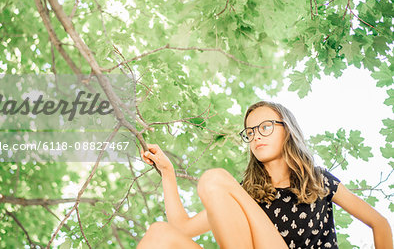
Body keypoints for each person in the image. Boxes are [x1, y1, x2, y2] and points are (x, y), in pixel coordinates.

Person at [137, 100, 393, 249]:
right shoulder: (248, 195)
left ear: (287, 130)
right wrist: (167, 173)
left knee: (215, 178)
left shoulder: (319, 180)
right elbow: (183, 227)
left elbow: (379, 223)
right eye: (250, 132)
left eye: (265, 127)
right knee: (159, 234)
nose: (256, 135)